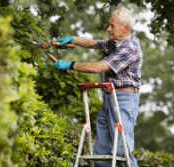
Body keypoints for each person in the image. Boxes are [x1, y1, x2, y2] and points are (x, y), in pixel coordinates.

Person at [54, 7, 143, 167]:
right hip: (109, 97)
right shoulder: (115, 43)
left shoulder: (130, 47)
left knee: (122, 151)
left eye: (112, 26)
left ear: (125, 28)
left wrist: (70, 64)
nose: (108, 29)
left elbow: (99, 67)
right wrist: (72, 39)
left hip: (124, 100)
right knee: (101, 150)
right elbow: (93, 44)